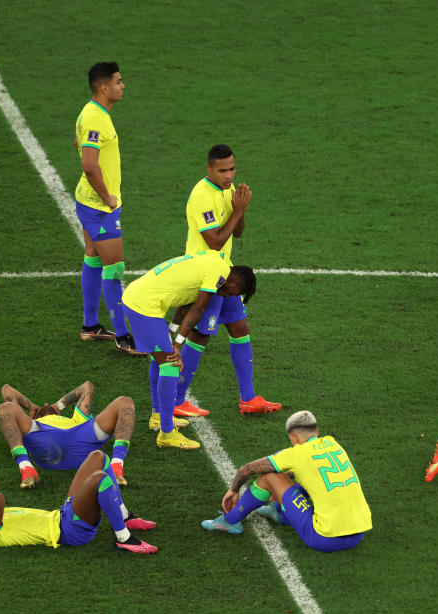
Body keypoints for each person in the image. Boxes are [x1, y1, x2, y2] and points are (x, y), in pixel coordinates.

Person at [168, 144, 282, 418]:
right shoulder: (202, 196)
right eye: (222, 170)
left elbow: (237, 232)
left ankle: (249, 398)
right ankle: (176, 401)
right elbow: (215, 241)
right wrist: (237, 210)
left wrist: (239, 209)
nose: (228, 175)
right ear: (209, 168)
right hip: (205, 274)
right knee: (199, 335)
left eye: (232, 169)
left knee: (240, 328)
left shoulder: (227, 190)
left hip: (223, 273)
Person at [122, 250, 257, 449]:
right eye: (233, 293)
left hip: (139, 298)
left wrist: (172, 333)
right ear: (236, 282)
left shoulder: (213, 262)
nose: (227, 296)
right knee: (170, 364)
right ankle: (167, 433)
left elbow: (185, 306)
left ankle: (158, 417)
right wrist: (176, 345)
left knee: (159, 359)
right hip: (144, 306)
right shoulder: (217, 275)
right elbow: (198, 309)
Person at [200, 410, 372, 552]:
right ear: (317, 432)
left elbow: (247, 470)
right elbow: (306, 473)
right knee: (303, 480)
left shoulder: (296, 453)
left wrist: (234, 490)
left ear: (295, 438)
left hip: (324, 539)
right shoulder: (332, 443)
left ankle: (231, 521)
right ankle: (279, 511)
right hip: (357, 535)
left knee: (268, 476)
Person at [0, 450, 157, 553]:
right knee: (99, 479)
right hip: (70, 530)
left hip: (64, 513)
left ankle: (124, 517)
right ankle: (124, 538)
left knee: (98, 457)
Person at [73, 61, 142, 356]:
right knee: (115, 269)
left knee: (93, 256)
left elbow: (79, 143)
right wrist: (107, 197)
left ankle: (90, 327)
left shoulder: (93, 113)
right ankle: (124, 337)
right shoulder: (95, 118)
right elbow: (89, 165)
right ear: (104, 87)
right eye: (118, 81)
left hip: (89, 202)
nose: (122, 85)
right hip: (99, 207)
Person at [0, 381, 138, 488]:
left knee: (125, 402)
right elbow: (6, 389)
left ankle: (116, 466)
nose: (45, 403)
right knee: (5, 409)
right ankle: (26, 468)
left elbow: (87, 386)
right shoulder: (33, 424)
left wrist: (59, 405)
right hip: (44, 437)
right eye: (44, 405)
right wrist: (31, 407)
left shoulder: (77, 418)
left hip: (80, 435)